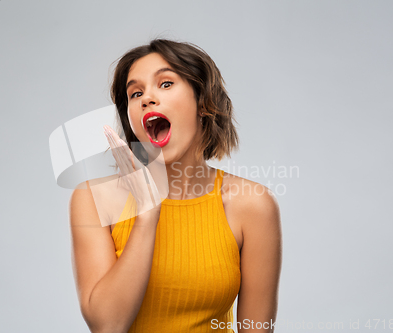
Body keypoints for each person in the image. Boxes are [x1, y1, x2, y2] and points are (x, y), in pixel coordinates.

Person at [69, 38, 282, 333]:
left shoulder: (252, 204)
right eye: (135, 93)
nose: (147, 99)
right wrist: (147, 216)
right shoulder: (93, 197)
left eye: (166, 84)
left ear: (203, 104)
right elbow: (107, 325)